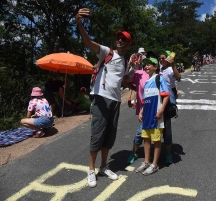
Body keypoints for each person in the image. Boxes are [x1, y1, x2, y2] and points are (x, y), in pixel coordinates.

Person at [76, 8, 132, 188]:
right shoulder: (107, 52)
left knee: (109, 136)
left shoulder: (125, 61)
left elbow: (122, 80)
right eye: (118, 38)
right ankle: (91, 170)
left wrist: (138, 86)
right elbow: (88, 42)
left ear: (128, 44)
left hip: (116, 101)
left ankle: (103, 167)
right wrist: (78, 22)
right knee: (97, 134)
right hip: (101, 98)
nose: (120, 40)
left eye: (123, 39)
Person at [135, 58, 170, 175]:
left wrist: (161, 110)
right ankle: (146, 161)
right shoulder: (147, 82)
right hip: (147, 116)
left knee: (156, 140)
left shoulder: (159, 78)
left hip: (156, 116)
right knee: (146, 139)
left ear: (155, 67)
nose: (146, 67)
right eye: (145, 65)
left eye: (149, 65)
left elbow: (166, 96)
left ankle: (155, 164)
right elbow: (145, 101)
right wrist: (141, 111)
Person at [158, 50, 180, 164]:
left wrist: (173, 64)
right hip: (159, 97)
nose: (161, 60)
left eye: (163, 58)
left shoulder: (170, 68)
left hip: (168, 97)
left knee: (167, 126)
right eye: (160, 58)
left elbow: (178, 76)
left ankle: (168, 153)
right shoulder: (159, 69)